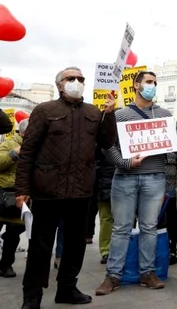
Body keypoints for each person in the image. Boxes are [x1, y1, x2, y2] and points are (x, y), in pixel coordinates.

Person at [15, 66, 117, 308]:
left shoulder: (93, 111)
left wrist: (110, 114)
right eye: (71, 78)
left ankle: (67, 289)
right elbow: (27, 152)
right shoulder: (44, 111)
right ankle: (32, 296)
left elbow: (106, 142)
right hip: (47, 190)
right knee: (40, 246)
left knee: (75, 245)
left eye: (81, 79)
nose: (77, 82)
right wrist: (22, 190)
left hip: (81, 191)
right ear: (60, 84)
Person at [96, 71, 177, 296]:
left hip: (155, 178)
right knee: (121, 228)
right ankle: (113, 275)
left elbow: (175, 144)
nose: (152, 86)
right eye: (149, 82)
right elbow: (107, 145)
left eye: (155, 83)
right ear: (136, 85)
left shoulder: (165, 114)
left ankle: (148, 273)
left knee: (149, 227)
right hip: (124, 178)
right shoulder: (120, 115)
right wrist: (125, 163)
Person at [0, 119, 29, 279]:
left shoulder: (37, 147)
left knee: (14, 232)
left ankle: (6, 265)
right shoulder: (9, 144)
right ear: (24, 132)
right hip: (3, 193)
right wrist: (14, 153)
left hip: (19, 196)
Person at [94, 145, 115, 265]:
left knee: (126, 219)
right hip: (104, 178)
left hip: (110, 176)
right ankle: (106, 250)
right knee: (106, 218)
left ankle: (109, 249)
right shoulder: (103, 135)